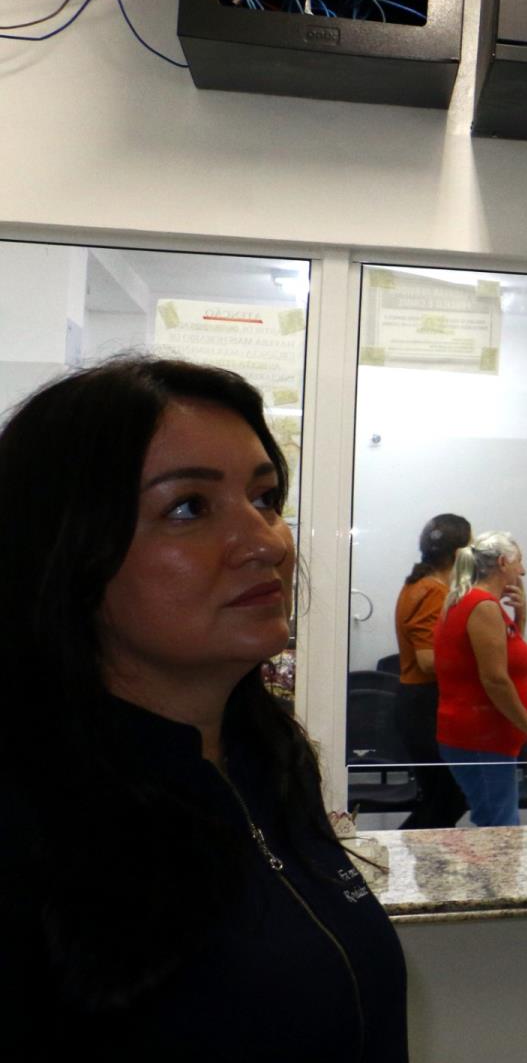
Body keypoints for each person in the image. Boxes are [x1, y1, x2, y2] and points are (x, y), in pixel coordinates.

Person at [0, 357, 407, 1059]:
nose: (268, 542)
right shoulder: (27, 814)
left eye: (265, 497)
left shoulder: (267, 761)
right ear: (65, 550)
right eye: (188, 507)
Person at [433, 531, 527, 826]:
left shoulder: (477, 602)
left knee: (495, 824)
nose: (523, 571)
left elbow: (512, 661)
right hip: (481, 736)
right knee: (501, 829)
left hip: (484, 737)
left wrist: (520, 616)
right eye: (519, 562)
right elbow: (495, 680)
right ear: (503, 563)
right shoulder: (481, 606)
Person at [392, 513, 471, 829]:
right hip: (425, 703)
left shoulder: (419, 585)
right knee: (449, 798)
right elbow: (427, 660)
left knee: (444, 798)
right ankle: (395, 852)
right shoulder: (433, 592)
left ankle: (415, 857)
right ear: (459, 553)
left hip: (420, 703)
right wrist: (477, 664)